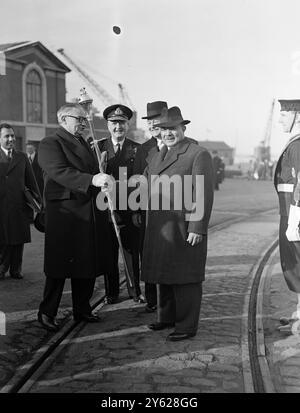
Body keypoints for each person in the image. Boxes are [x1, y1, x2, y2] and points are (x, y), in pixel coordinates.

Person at [141, 106, 214, 341]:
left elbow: (203, 194)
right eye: (163, 129)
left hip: (183, 226)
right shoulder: (155, 155)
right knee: (165, 273)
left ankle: (186, 325)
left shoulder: (197, 153)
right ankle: (166, 317)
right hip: (160, 226)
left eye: (173, 128)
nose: (168, 133)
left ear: (183, 128)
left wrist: (197, 227)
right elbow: (143, 183)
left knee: (185, 278)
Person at [37, 103, 112, 332]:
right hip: (66, 214)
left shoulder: (83, 143)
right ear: (63, 119)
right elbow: (58, 171)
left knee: (86, 263)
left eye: (83, 119)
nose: (82, 123)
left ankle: (82, 309)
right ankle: (46, 312)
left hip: (87, 210)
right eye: (78, 119)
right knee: (59, 267)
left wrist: (100, 174)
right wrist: (91, 180)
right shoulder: (51, 143)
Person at [97, 104, 144, 304]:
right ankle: (112, 293)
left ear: (128, 125)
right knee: (108, 254)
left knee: (131, 254)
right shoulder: (97, 148)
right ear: (108, 125)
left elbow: (141, 182)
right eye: (114, 123)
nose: (118, 127)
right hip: (105, 209)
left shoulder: (137, 149)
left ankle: (135, 291)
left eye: (122, 123)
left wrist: (137, 209)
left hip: (129, 210)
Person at [132, 101, 168, 312]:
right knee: (149, 254)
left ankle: (169, 300)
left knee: (169, 254)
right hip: (148, 213)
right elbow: (137, 181)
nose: (153, 124)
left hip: (172, 213)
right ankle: (153, 300)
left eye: (157, 119)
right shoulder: (143, 149)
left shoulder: (181, 145)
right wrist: (136, 210)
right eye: (150, 120)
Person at [0, 124, 41, 280]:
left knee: (18, 238)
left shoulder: (22, 157)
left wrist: (38, 200)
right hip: (2, 205)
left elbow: (31, 180)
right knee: (3, 238)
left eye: (12, 136)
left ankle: (16, 269)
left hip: (19, 205)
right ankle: (2, 268)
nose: (11, 139)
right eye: (6, 136)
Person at [274, 99, 300, 332]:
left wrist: (296, 217)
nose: (280, 119)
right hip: (290, 210)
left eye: (284, 115)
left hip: (295, 213)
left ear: (297, 117)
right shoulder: (294, 144)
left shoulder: (298, 145)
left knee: (299, 263)